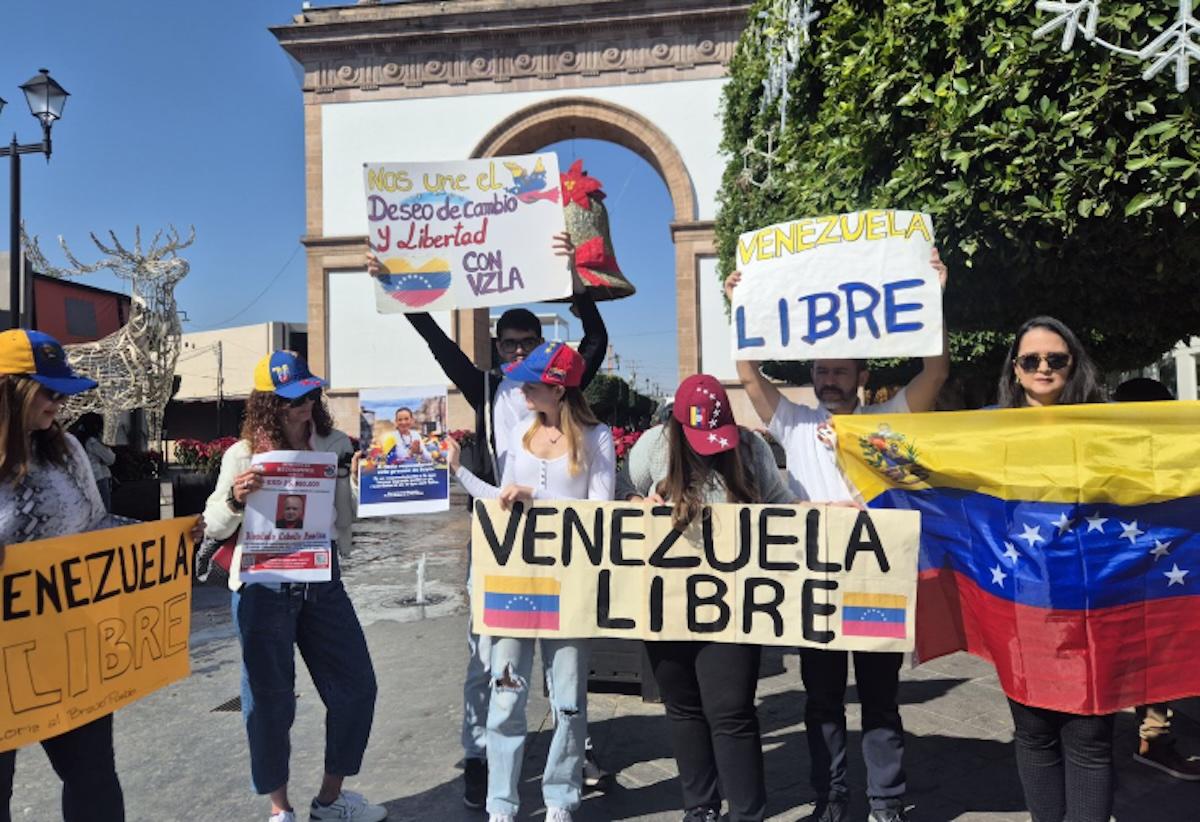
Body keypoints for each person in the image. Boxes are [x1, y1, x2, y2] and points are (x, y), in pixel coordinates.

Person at [367, 233, 611, 807]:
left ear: (543, 346)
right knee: (487, 658)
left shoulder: (561, 388)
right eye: (508, 345)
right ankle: (479, 754)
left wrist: (573, 273)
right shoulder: (488, 387)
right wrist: (395, 282)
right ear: (496, 346)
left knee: (564, 668)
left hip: (559, 544)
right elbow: (432, 337)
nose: (516, 354)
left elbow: (596, 337)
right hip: (499, 541)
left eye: (527, 344)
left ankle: (567, 757)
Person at [724, 252, 950, 822]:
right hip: (814, 584)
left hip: (876, 579)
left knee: (879, 699)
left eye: (840, 371)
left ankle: (886, 802)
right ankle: (830, 796)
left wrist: (932, 296)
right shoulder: (793, 421)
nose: (828, 380)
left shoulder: (890, 417)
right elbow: (749, 374)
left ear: (861, 377)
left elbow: (936, 374)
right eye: (821, 371)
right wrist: (739, 306)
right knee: (822, 701)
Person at [0, 329, 201, 822]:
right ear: (10, 389)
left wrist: (165, 540)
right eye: (48, 391)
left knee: (93, 780)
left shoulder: (66, 450)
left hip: (68, 648)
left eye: (62, 392)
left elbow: (96, 527)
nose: (58, 404)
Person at [203, 350, 384, 822]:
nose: (303, 405)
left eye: (308, 394)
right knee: (268, 701)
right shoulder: (242, 455)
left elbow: (346, 519)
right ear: (267, 403)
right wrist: (235, 498)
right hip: (263, 588)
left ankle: (330, 799)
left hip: (321, 580)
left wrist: (347, 476)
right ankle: (279, 809)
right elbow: (214, 524)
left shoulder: (334, 442)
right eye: (290, 399)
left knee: (357, 687)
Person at [446, 342, 614, 822]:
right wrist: (458, 471)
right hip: (515, 583)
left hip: (571, 587)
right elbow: (500, 501)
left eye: (532, 381)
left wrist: (537, 495)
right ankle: (502, 800)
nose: (520, 387)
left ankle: (561, 795)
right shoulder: (519, 431)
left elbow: (601, 513)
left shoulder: (597, 438)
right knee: (505, 693)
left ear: (558, 390)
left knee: (568, 701)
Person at [620, 374, 794, 822]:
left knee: (731, 710)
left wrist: (829, 516)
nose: (710, 448)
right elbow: (625, 494)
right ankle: (700, 808)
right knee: (683, 709)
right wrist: (636, 503)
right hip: (666, 602)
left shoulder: (751, 450)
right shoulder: (651, 449)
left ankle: (747, 814)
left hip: (731, 604)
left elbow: (785, 510)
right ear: (676, 428)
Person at [995, 316, 1113, 821]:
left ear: (1073, 364)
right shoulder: (985, 431)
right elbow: (921, 464)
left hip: (1094, 599)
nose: (1043, 368)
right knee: (1034, 728)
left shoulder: (1107, 426)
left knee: (1089, 732)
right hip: (1023, 599)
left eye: (1056, 359)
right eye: (1031, 360)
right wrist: (849, 441)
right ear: (1016, 370)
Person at [1110, 376, 1200, 781]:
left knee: (1154, 654)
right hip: (1157, 577)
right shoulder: (1166, 450)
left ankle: (1155, 736)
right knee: (1156, 654)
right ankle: (1154, 737)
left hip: (1153, 576)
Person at [72, 411, 116, 511]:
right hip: (99, 478)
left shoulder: (77, 440)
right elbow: (110, 458)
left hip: (85, 479)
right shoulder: (93, 442)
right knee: (104, 510)